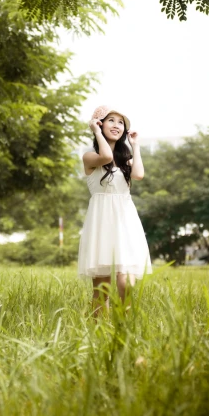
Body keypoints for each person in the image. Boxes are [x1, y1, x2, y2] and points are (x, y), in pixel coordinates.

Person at [78, 105, 152, 318]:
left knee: (125, 282)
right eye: (111, 120)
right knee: (102, 291)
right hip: (101, 223)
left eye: (121, 122)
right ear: (99, 124)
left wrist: (135, 145)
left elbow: (138, 174)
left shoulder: (126, 161)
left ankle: (124, 328)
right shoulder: (90, 157)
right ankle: (98, 334)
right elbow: (105, 156)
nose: (117, 125)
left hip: (125, 223)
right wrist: (95, 131)